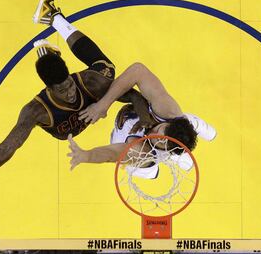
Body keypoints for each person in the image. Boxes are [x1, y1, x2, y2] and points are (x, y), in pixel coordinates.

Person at [0, 0, 151, 180]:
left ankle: (53, 18)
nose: (70, 93)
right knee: (97, 71)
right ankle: (50, 39)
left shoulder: (90, 82)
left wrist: (142, 120)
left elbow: (134, 96)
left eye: (68, 84)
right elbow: (8, 146)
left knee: (106, 68)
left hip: (94, 80)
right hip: (56, 118)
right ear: (48, 90)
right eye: (61, 90)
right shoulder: (36, 111)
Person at [68, 62, 216, 174]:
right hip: (174, 124)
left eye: (163, 143)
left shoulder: (142, 153)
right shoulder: (168, 111)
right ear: (168, 123)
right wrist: (103, 104)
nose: (157, 136)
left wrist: (86, 155)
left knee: (143, 172)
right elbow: (138, 71)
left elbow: (112, 154)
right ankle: (195, 124)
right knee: (185, 119)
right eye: (162, 131)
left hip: (136, 152)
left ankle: (174, 157)